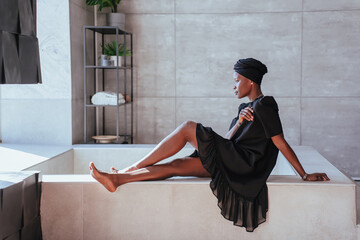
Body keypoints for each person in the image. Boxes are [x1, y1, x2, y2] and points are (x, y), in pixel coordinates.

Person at [89, 58, 330, 232]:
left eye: (237, 81)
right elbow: (227, 140)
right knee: (175, 164)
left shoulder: (265, 105)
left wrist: (304, 174)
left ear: (251, 81)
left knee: (187, 127)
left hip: (244, 165)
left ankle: (130, 169)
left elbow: (280, 142)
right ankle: (117, 180)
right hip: (232, 158)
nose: (234, 86)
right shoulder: (246, 109)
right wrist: (238, 124)